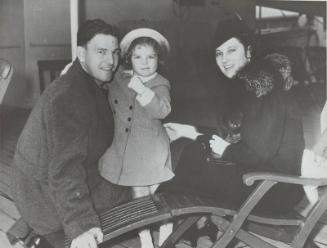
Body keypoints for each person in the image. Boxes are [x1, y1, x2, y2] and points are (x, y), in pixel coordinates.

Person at [159, 17, 305, 244]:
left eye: (231, 50)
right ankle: (191, 222)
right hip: (263, 178)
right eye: (219, 53)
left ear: (248, 51)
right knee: (195, 151)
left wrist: (225, 150)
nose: (224, 59)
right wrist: (189, 130)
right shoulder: (249, 84)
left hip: (275, 188)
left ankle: (173, 215)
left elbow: (259, 152)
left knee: (194, 159)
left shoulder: (261, 87)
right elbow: (240, 137)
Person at [11, 19, 131, 248]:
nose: (111, 61)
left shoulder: (84, 79)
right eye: (101, 52)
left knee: (124, 175)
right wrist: (81, 226)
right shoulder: (70, 95)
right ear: (81, 54)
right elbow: (65, 168)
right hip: (42, 193)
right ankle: (42, 235)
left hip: (42, 181)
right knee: (126, 189)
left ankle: (29, 233)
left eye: (115, 53)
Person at [98, 28, 174, 248]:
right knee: (139, 194)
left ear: (159, 59)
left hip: (151, 148)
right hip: (125, 148)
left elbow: (162, 110)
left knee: (153, 194)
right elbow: (99, 81)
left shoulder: (161, 83)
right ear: (128, 58)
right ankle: (145, 237)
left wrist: (143, 90)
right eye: (138, 56)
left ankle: (165, 225)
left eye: (151, 57)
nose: (145, 62)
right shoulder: (119, 77)